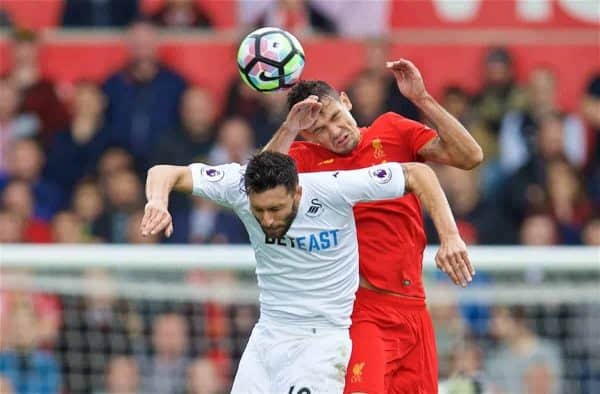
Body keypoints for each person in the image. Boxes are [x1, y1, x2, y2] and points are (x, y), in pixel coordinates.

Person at [141, 151, 471, 393]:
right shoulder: (237, 186)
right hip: (267, 336)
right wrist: (157, 201)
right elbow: (164, 169)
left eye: (276, 208)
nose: (267, 220)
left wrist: (450, 236)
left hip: (322, 343)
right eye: (260, 210)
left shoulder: (332, 189)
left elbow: (417, 173)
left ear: (297, 192)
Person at [264, 59, 482, 393]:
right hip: (362, 312)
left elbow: (470, 156)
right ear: (307, 134)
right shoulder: (304, 159)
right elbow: (256, 187)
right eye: (319, 129)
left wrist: (421, 98)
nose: (335, 132)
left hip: (415, 310)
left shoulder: (392, 129)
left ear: (346, 101)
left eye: (336, 117)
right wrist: (290, 128)